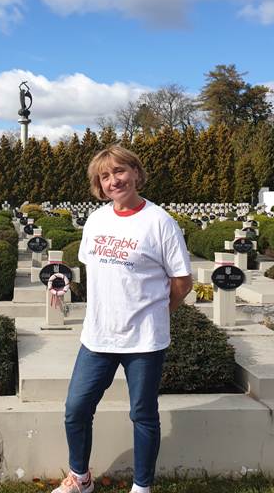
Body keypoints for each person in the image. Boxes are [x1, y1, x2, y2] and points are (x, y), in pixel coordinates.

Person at [53, 145, 192, 493]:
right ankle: (80, 478)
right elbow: (95, 270)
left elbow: (182, 282)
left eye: (119, 171)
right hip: (98, 337)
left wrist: (158, 314)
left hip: (144, 340)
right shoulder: (96, 220)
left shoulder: (159, 222)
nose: (113, 180)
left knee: (142, 415)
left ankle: (141, 487)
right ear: (99, 185)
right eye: (105, 176)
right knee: (76, 409)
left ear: (136, 173)